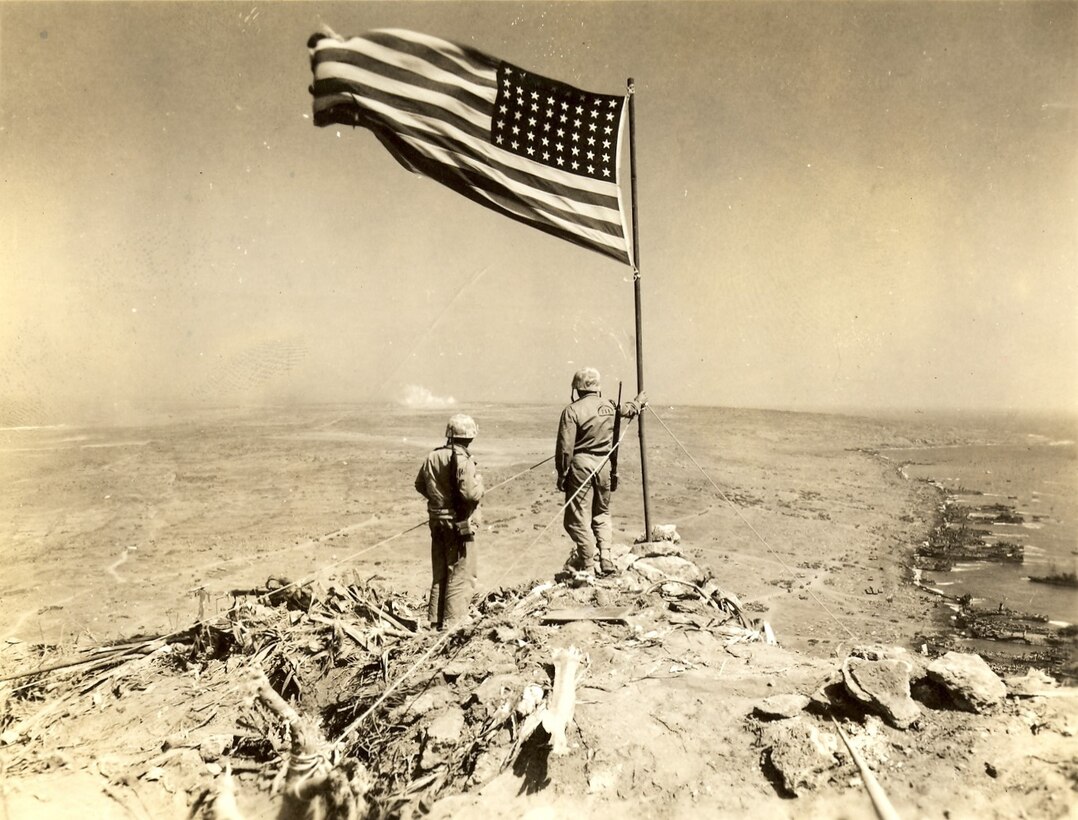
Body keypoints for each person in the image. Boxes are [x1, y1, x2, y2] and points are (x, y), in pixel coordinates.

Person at [555, 368, 646, 576]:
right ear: (597, 387)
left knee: (576, 518)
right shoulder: (610, 406)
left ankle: (587, 563)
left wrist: (562, 473)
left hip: (581, 466)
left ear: (576, 389)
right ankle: (605, 557)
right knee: (602, 512)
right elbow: (628, 409)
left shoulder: (572, 411)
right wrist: (638, 401)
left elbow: (565, 448)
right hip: (604, 465)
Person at [415, 413, 485, 630]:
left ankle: (435, 619)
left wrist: (439, 502)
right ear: (470, 437)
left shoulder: (432, 456)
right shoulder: (463, 460)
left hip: (436, 520)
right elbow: (470, 495)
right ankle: (453, 622)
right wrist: (480, 484)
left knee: (441, 571)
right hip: (458, 524)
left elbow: (420, 484)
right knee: (460, 571)